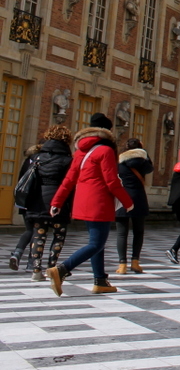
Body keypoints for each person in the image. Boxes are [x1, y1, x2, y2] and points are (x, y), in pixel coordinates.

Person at [48, 113, 134, 296]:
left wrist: (57, 201)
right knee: (96, 243)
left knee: (97, 242)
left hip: (82, 201)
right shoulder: (106, 151)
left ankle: (100, 280)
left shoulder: (80, 152)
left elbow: (69, 180)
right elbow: (111, 181)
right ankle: (62, 269)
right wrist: (127, 201)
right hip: (99, 202)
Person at [23, 126, 73, 281]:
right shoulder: (68, 159)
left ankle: (36, 270)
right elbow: (70, 184)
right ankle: (52, 268)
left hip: (38, 201)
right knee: (58, 235)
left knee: (39, 235)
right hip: (59, 200)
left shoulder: (37, 158)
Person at [115, 138, 153, 274]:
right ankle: (135, 262)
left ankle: (122, 264)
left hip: (122, 198)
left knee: (121, 233)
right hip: (138, 197)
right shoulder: (143, 162)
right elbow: (151, 167)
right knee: (138, 231)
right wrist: (145, 154)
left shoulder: (119, 162)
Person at [10, 144, 41, 272]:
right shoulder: (41, 161)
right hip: (38, 201)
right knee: (37, 232)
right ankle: (31, 262)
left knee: (29, 230)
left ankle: (17, 253)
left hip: (24, 200)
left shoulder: (28, 160)